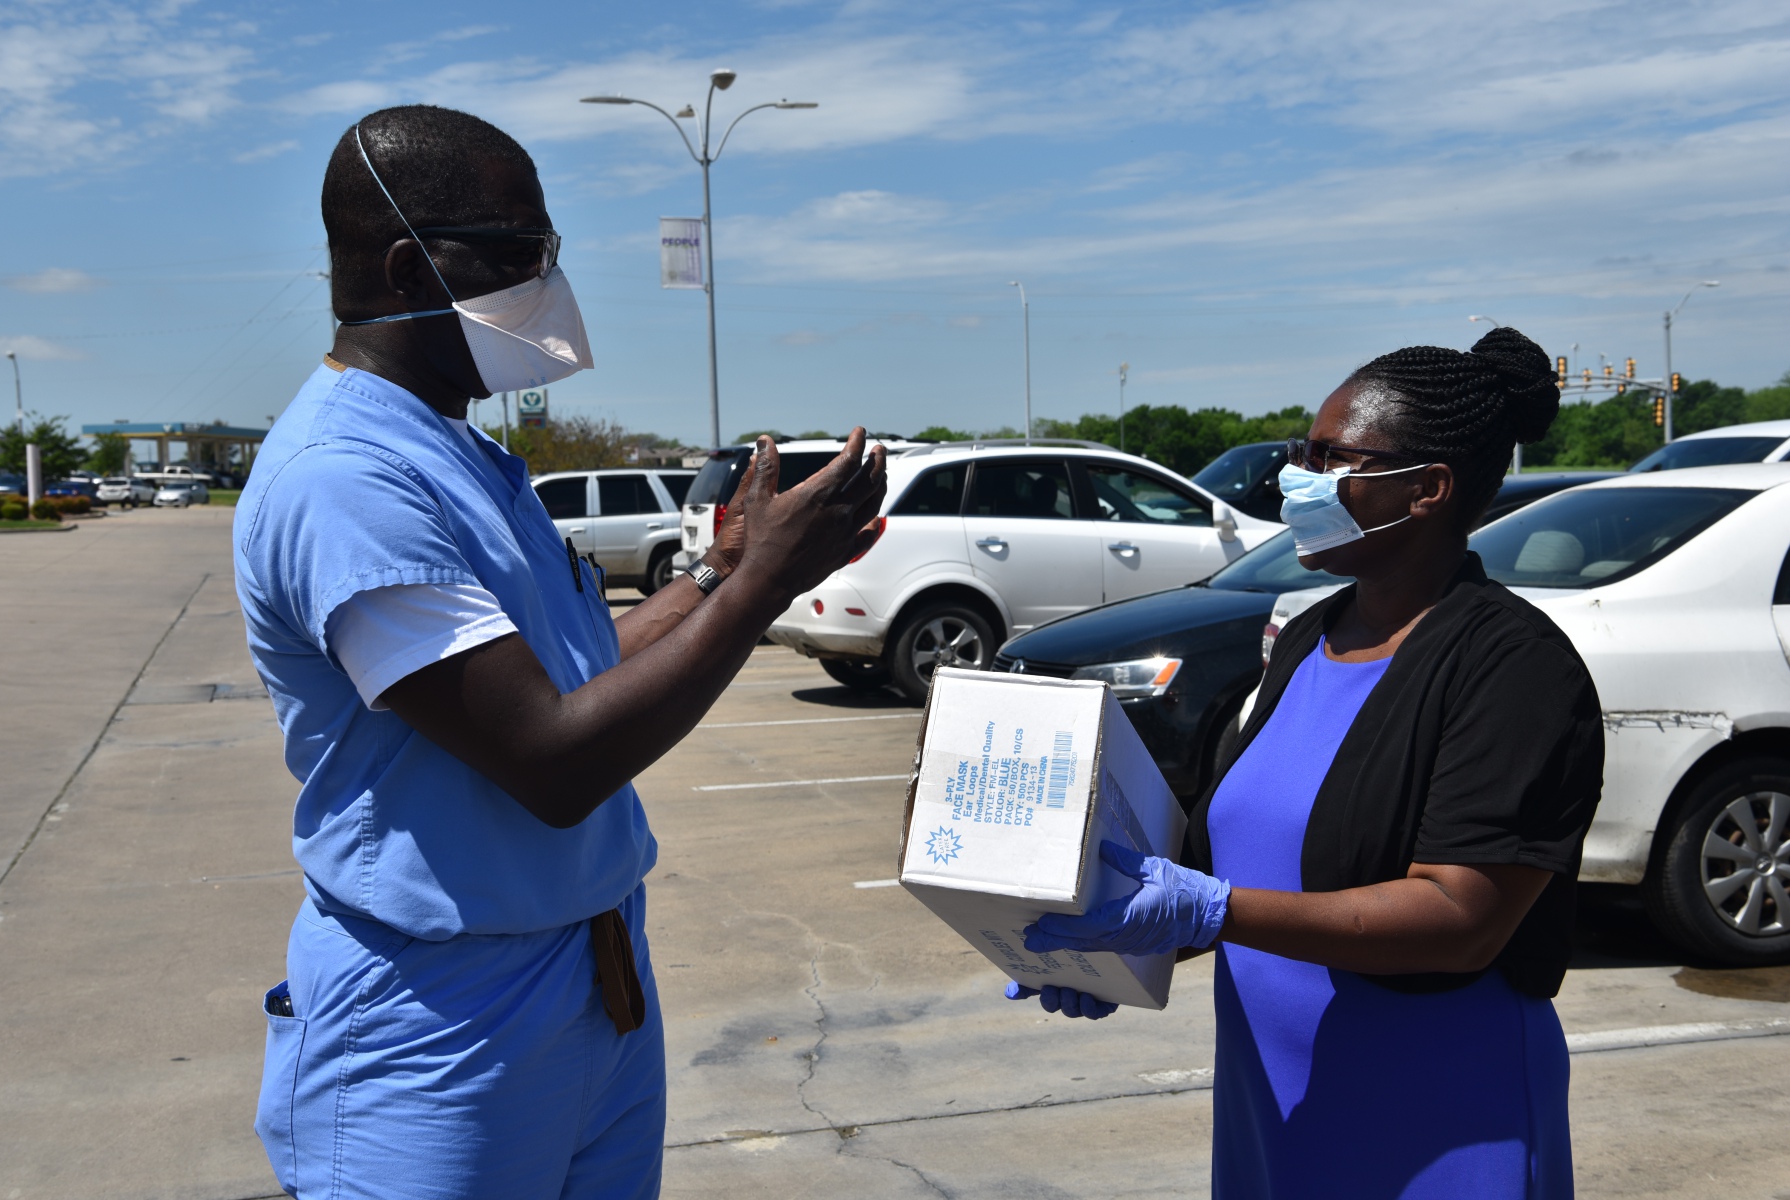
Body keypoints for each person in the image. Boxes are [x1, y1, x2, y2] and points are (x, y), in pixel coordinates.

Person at [235, 104, 886, 1199]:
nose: (546, 281)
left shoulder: (452, 451)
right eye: (517, 254)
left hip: (592, 974)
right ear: (408, 269)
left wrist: (718, 574)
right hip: (441, 1024)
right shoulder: (345, 478)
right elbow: (550, 758)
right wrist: (760, 587)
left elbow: (571, 677)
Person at [1009, 327, 1602, 1197]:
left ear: (1427, 489)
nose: (1298, 479)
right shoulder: (1308, 639)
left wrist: (1207, 912)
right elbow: (1239, 865)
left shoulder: (1513, 666)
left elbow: (1460, 917)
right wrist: (1111, 949)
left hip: (1436, 1113)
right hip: (1276, 1106)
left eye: (1332, 459)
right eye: (1302, 452)